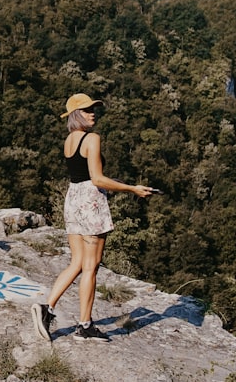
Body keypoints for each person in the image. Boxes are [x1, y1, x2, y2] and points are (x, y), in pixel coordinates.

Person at [31, 94, 155, 342]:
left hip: (74, 199)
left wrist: (116, 183)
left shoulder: (69, 140)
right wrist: (132, 188)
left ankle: (47, 307)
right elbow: (96, 179)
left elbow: (83, 175)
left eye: (93, 109)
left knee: (77, 262)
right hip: (91, 202)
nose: (93, 113)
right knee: (91, 266)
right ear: (77, 114)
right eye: (87, 110)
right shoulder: (92, 139)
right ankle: (85, 326)